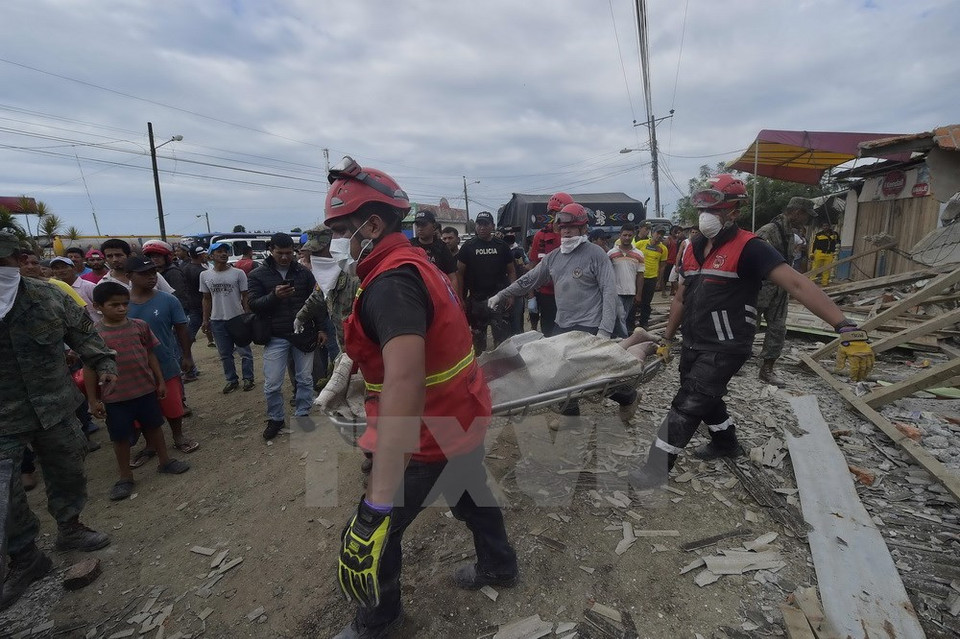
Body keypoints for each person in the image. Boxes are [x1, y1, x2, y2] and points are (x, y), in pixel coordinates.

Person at [322, 157, 517, 639]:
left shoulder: (391, 283)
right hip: (461, 411)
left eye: (340, 229)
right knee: (470, 494)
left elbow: (404, 384)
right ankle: (499, 564)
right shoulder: (407, 264)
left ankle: (379, 622)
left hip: (429, 429)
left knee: (377, 533)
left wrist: (378, 501)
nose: (332, 241)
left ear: (370, 224)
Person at [627, 175, 875, 490]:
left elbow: (797, 284)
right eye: (703, 208)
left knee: (688, 403)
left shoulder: (751, 247)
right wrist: (667, 339)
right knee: (704, 394)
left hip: (728, 344)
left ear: (734, 211)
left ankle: (654, 470)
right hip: (695, 339)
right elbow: (679, 297)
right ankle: (725, 442)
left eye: (716, 209)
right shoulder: (690, 249)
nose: (707, 216)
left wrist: (845, 326)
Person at [0, 230, 115, 611]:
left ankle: (70, 527)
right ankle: (24, 555)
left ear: (15, 261)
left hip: (56, 407)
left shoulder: (48, 297)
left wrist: (104, 363)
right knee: (7, 492)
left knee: (67, 469)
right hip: (3, 419)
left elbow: (87, 338)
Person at [489, 203, 638, 424]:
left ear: (583, 229)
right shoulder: (553, 257)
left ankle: (629, 397)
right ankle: (570, 416)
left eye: (572, 227)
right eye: (563, 227)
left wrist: (604, 331)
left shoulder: (596, 255)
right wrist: (502, 294)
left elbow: (609, 292)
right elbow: (529, 280)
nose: (566, 231)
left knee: (593, 377)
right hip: (564, 323)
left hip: (590, 325)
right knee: (559, 373)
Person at [86, 282, 189, 500]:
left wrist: (160, 381)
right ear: (98, 306)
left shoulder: (139, 326)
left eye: (125, 304)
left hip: (145, 390)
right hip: (116, 397)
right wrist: (93, 400)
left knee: (155, 427)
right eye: (115, 305)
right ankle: (125, 476)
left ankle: (165, 461)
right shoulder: (94, 336)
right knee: (121, 437)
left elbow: (150, 354)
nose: (122, 309)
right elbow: (89, 368)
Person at [248, 233, 327, 440]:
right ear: (271, 250)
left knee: (304, 378)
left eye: (288, 253)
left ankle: (302, 414)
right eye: (280, 253)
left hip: (304, 333)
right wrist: (274, 296)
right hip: (275, 335)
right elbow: (253, 305)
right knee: (272, 382)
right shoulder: (257, 275)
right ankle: (276, 418)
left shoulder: (304, 273)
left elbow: (317, 303)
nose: (284, 257)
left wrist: (321, 329)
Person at [125, 257, 200, 460]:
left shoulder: (168, 300)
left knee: (173, 405)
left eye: (153, 273)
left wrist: (186, 355)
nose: (151, 277)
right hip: (135, 368)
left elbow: (181, 328)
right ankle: (151, 445)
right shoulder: (121, 305)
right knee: (143, 409)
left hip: (166, 361)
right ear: (128, 276)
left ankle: (178, 436)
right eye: (144, 274)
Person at [755, 197, 815, 387]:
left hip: (779, 292)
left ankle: (767, 369)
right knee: (747, 329)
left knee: (778, 330)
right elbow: (752, 260)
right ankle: (734, 362)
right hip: (759, 290)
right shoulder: (768, 231)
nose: (807, 220)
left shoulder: (790, 233)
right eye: (806, 215)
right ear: (797, 212)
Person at [457, 211, 517, 353]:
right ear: (475, 226)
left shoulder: (502, 246)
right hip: (477, 301)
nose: (482, 227)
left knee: (502, 342)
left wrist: (511, 294)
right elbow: (459, 274)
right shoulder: (468, 247)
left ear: (493, 226)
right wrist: (460, 297)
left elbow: (512, 271)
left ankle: (503, 370)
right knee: (478, 344)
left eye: (486, 224)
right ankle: (480, 372)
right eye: (479, 224)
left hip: (499, 300)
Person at [200, 242, 255, 393]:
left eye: (225, 251)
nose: (223, 254)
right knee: (225, 354)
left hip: (237, 318)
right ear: (211, 256)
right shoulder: (205, 275)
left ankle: (248, 378)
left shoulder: (238, 273)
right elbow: (206, 298)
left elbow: (245, 295)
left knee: (244, 351)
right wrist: (205, 319)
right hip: (217, 320)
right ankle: (231, 380)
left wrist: (247, 314)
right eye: (219, 251)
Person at [527, 192, 572, 336]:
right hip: (547, 296)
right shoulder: (541, 236)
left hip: (572, 295)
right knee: (549, 334)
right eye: (556, 213)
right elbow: (532, 268)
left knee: (570, 334)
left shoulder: (576, 237)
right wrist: (531, 296)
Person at [99, 239, 177, 294]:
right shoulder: (103, 284)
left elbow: (172, 298)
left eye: (118, 255)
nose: (115, 259)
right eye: (109, 256)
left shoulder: (153, 275)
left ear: (129, 256)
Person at [607, 224, 645, 336]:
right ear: (620, 236)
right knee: (620, 317)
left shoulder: (639, 254)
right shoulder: (611, 253)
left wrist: (638, 293)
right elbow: (606, 275)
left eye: (630, 235)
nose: (627, 238)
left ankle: (618, 339)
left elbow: (640, 275)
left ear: (633, 236)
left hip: (630, 292)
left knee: (623, 317)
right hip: (615, 292)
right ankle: (624, 339)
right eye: (624, 235)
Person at [411, 209, 458, 290]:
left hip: (438, 293)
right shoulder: (410, 246)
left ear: (433, 226)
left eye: (423, 224)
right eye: (417, 225)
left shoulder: (442, 247)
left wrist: (454, 300)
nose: (420, 228)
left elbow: (452, 278)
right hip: (416, 293)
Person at [181, 244, 214, 359]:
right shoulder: (202, 272)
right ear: (200, 255)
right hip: (203, 304)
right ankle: (183, 353)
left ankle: (184, 352)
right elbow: (208, 291)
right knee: (215, 325)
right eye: (204, 254)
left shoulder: (185, 268)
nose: (205, 255)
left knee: (191, 332)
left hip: (191, 303)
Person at [143, 240, 189, 312]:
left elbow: (179, 296)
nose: (155, 259)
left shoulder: (173, 273)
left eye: (158, 256)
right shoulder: (154, 273)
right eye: (152, 256)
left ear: (166, 257)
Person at [636, 228, 668, 328]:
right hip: (638, 276)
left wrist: (659, 281)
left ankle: (643, 323)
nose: (659, 236)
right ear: (653, 233)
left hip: (652, 278)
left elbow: (662, 266)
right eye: (658, 233)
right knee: (635, 301)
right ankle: (630, 324)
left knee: (646, 302)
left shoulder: (663, 249)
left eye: (661, 234)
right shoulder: (641, 244)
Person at [51, 256, 97, 321]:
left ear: (74, 268)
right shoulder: (54, 288)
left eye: (64, 267)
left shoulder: (89, 286)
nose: (61, 271)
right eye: (56, 268)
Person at [810, 220, 840, 286]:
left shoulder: (834, 234)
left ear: (829, 226)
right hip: (819, 253)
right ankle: (811, 283)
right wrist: (812, 253)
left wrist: (836, 240)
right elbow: (814, 244)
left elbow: (838, 242)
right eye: (824, 226)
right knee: (815, 268)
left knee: (827, 269)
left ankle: (824, 283)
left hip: (829, 254)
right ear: (822, 227)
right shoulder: (818, 234)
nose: (825, 227)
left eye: (827, 226)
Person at [660, 226, 683, 297]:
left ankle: (673, 291)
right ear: (671, 231)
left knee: (674, 278)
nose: (676, 233)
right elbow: (662, 250)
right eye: (675, 231)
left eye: (678, 232)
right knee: (664, 278)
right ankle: (663, 292)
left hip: (675, 262)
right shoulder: (668, 240)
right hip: (668, 261)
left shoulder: (679, 240)